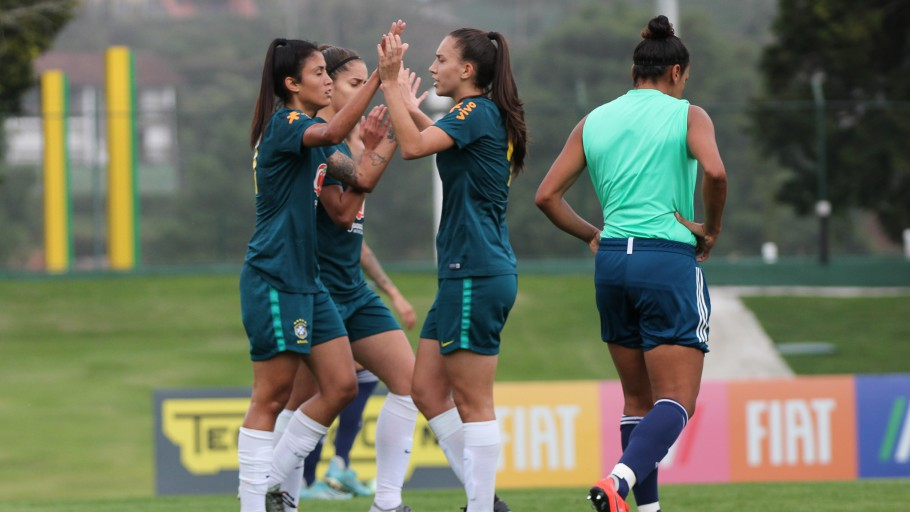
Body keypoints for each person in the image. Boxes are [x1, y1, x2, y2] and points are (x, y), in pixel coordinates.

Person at [535, 15, 727, 512]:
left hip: (614, 262)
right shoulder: (688, 115)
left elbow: (547, 197)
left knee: (637, 403)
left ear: (634, 70)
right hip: (665, 260)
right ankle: (618, 483)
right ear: (677, 72)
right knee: (677, 402)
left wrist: (592, 235)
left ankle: (645, 509)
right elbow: (715, 171)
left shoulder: (593, 120)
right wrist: (711, 228)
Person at [237, 25, 404, 512]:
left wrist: (386, 129)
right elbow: (332, 130)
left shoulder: (315, 143)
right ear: (292, 84)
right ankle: (257, 501)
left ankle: (271, 484)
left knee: (341, 386)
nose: (327, 80)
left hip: (308, 283)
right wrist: (379, 78)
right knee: (271, 398)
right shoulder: (287, 124)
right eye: (317, 74)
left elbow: (363, 178)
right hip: (274, 277)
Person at [377, 25, 527, 512]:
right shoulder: (478, 114)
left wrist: (389, 84)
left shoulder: (473, 110)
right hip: (465, 273)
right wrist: (402, 97)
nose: (433, 66)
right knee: (425, 389)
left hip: (476, 273)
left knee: (474, 402)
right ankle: (485, 499)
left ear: (467, 70)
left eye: (440, 59)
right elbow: (430, 134)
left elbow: (414, 146)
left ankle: (482, 507)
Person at [272, 43, 421, 512]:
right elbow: (341, 212)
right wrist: (390, 137)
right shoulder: (319, 139)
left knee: (410, 383)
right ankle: (273, 493)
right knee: (301, 401)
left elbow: (357, 234)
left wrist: (379, 142)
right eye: (356, 83)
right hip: (316, 291)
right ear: (326, 84)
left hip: (352, 292)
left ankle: (387, 502)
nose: (365, 93)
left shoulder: (346, 139)